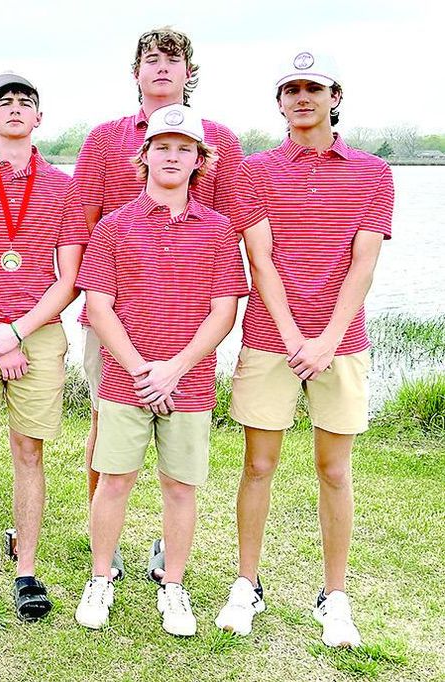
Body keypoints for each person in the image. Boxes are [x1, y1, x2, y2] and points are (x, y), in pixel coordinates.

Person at [215, 51, 394, 649]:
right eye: (290, 90)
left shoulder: (372, 172)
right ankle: (247, 584)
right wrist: (294, 336)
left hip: (341, 344)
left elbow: (363, 265)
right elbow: (258, 259)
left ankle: (334, 595)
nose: (301, 98)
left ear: (334, 97)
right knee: (259, 465)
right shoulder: (255, 170)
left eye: (312, 89)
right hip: (272, 341)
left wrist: (326, 339)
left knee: (334, 469)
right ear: (280, 103)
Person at [73, 26, 243, 582]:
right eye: (152, 60)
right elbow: (82, 224)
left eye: (174, 60)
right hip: (115, 308)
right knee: (108, 421)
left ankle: (168, 557)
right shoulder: (105, 137)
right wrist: (91, 302)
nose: (163, 68)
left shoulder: (219, 138)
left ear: (190, 72)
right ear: (136, 73)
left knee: (179, 446)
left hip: (187, 318)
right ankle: (108, 547)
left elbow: (226, 221)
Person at [0, 73, 86, 621]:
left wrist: (18, 332)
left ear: (39, 119)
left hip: (37, 334)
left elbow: (68, 278)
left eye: (26, 102)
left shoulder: (63, 186)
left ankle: (25, 569)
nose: (15, 109)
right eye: (4, 103)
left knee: (29, 451)